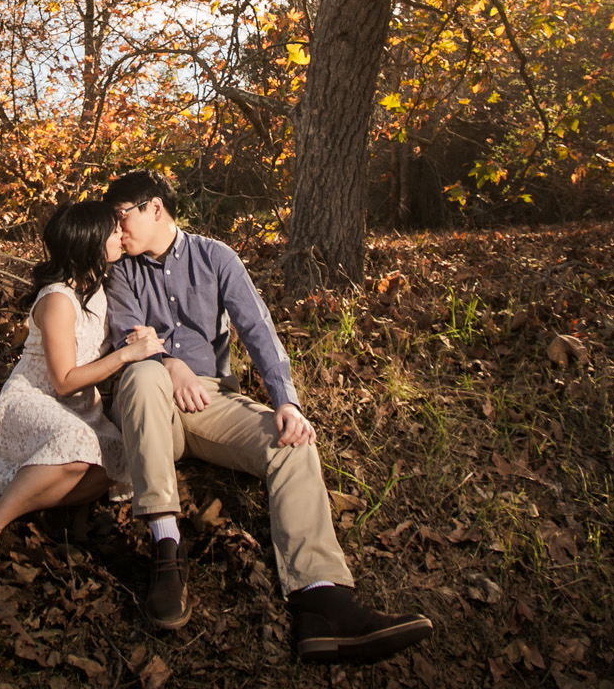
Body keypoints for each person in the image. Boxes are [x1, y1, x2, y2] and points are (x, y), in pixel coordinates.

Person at [102, 169, 433, 664]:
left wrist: (287, 401)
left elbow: (258, 329)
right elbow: (130, 338)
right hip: (149, 409)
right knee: (144, 375)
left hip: (211, 403)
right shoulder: (121, 271)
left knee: (293, 444)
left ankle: (322, 601)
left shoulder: (215, 258)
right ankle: (166, 549)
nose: (116, 228)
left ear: (154, 208)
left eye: (121, 215)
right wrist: (170, 364)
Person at [0, 199, 165, 599]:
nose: (121, 234)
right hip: (35, 399)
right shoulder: (58, 299)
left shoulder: (98, 290)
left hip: (80, 408)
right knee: (80, 448)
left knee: (117, 463)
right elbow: (63, 381)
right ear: (91, 242)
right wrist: (126, 356)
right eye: (112, 231)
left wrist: (137, 339)